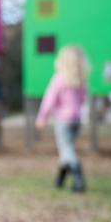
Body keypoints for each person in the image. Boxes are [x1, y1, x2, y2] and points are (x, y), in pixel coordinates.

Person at [36, 46, 88, 192]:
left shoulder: (59, 79)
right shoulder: (80, 81)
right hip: (77, 120)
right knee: (66, 148)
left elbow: (49, 100)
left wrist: (42, 117)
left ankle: (78, 179)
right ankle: (60, 179)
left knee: (66, 149)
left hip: (63, 121)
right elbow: (83, 99)